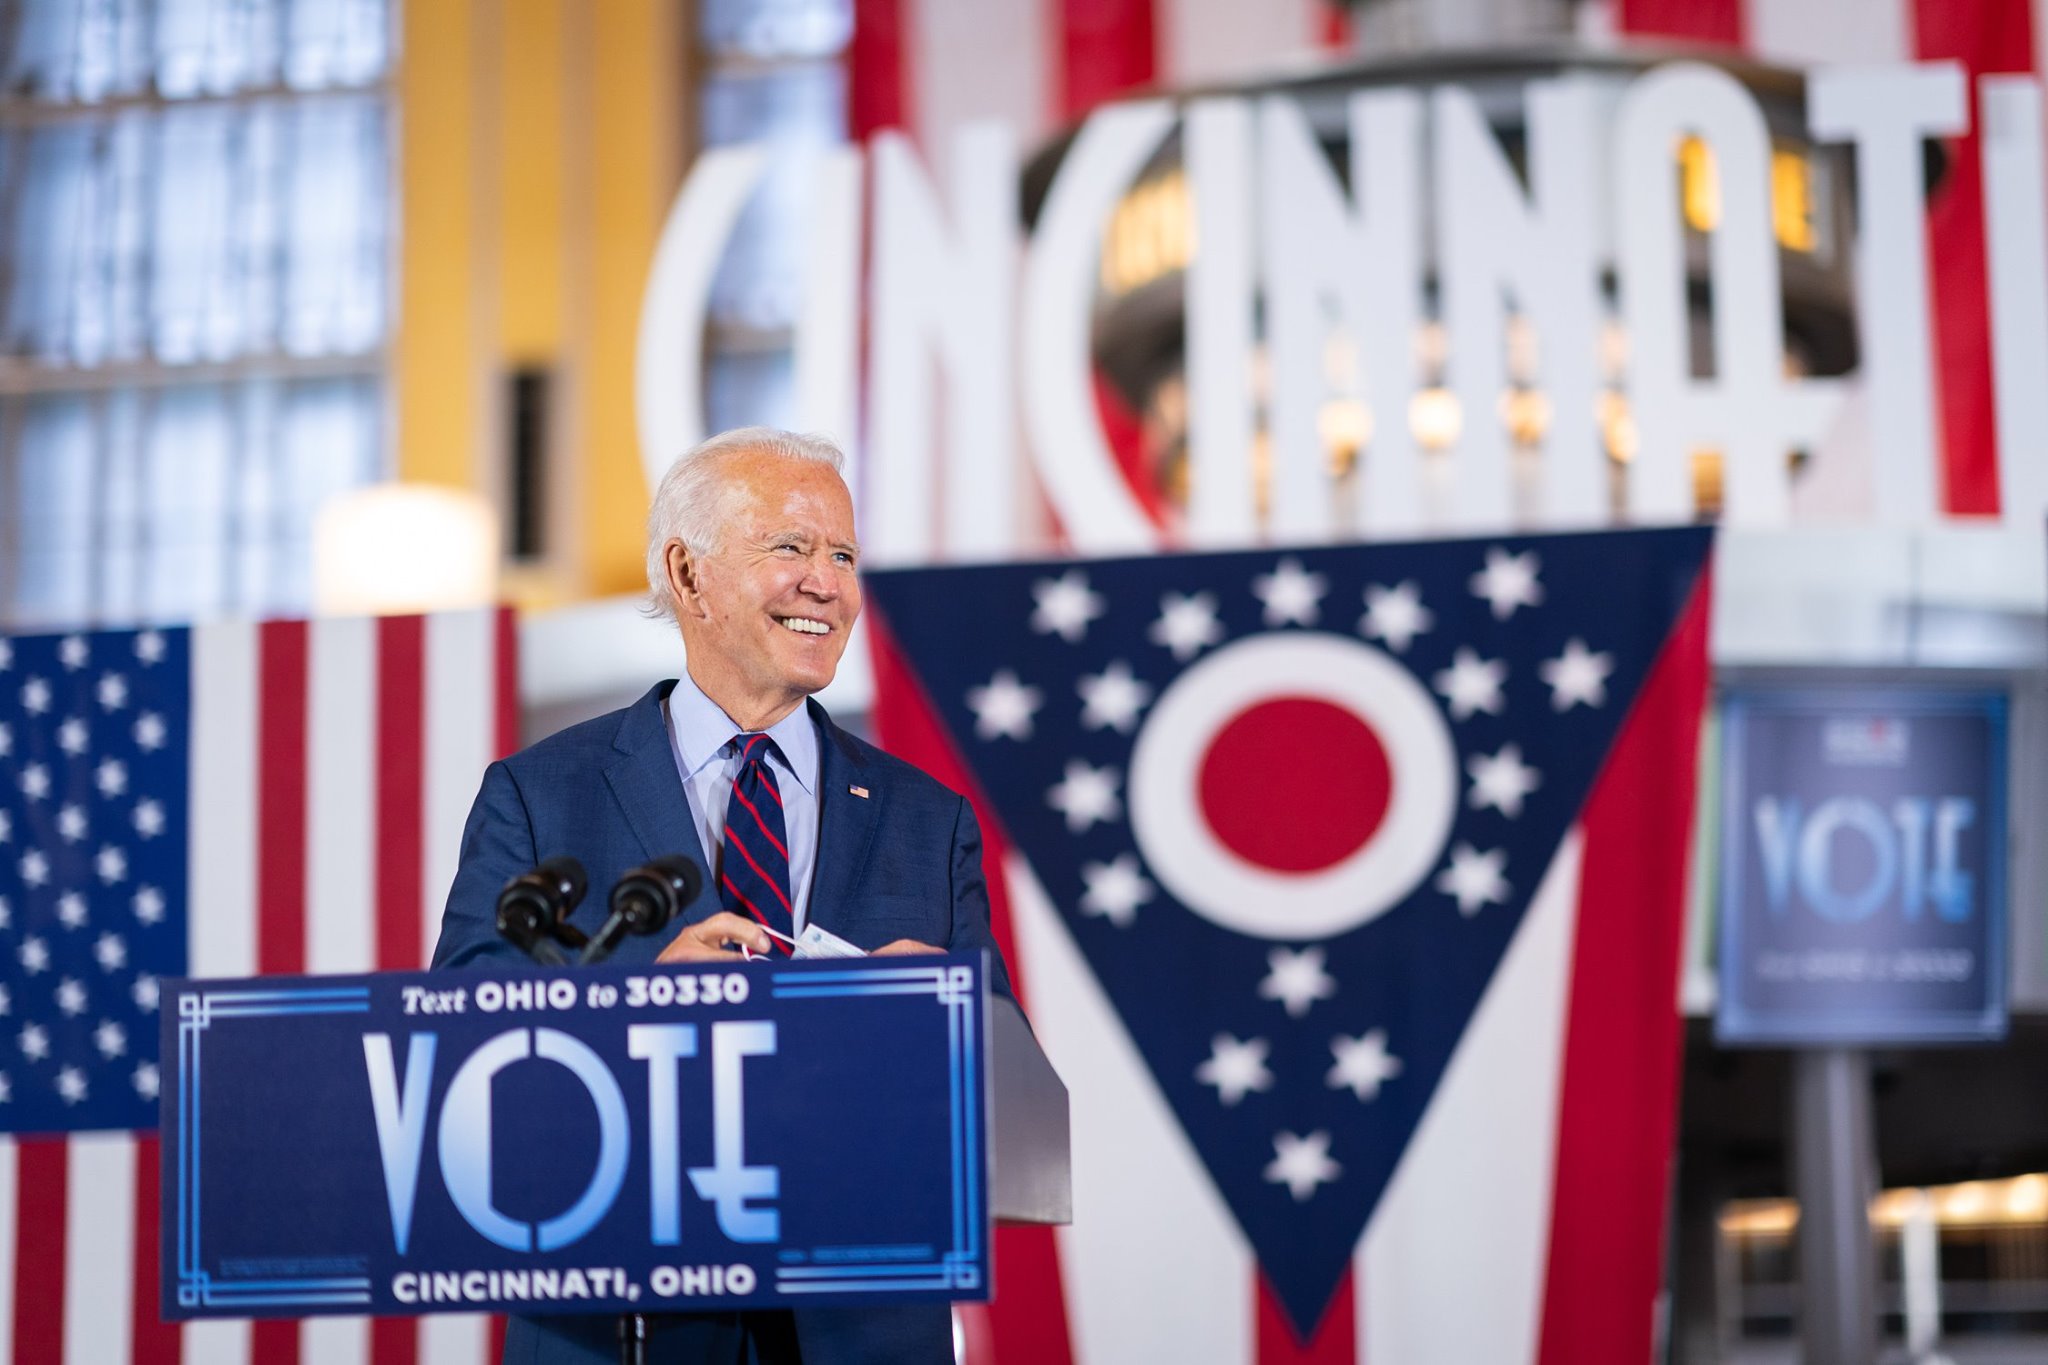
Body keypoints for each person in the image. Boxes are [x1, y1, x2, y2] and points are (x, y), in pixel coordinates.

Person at [433, 426, 1012, 1364]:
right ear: (687, 574)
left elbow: (1000, 1101)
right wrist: (633, 998)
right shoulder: (541, 795)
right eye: (790, 546)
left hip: (858, 1331)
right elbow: (457, 1058)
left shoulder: (928, 820)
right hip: (621, 1322)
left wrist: (943, 1024)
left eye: (844, 555)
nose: (827, 583)